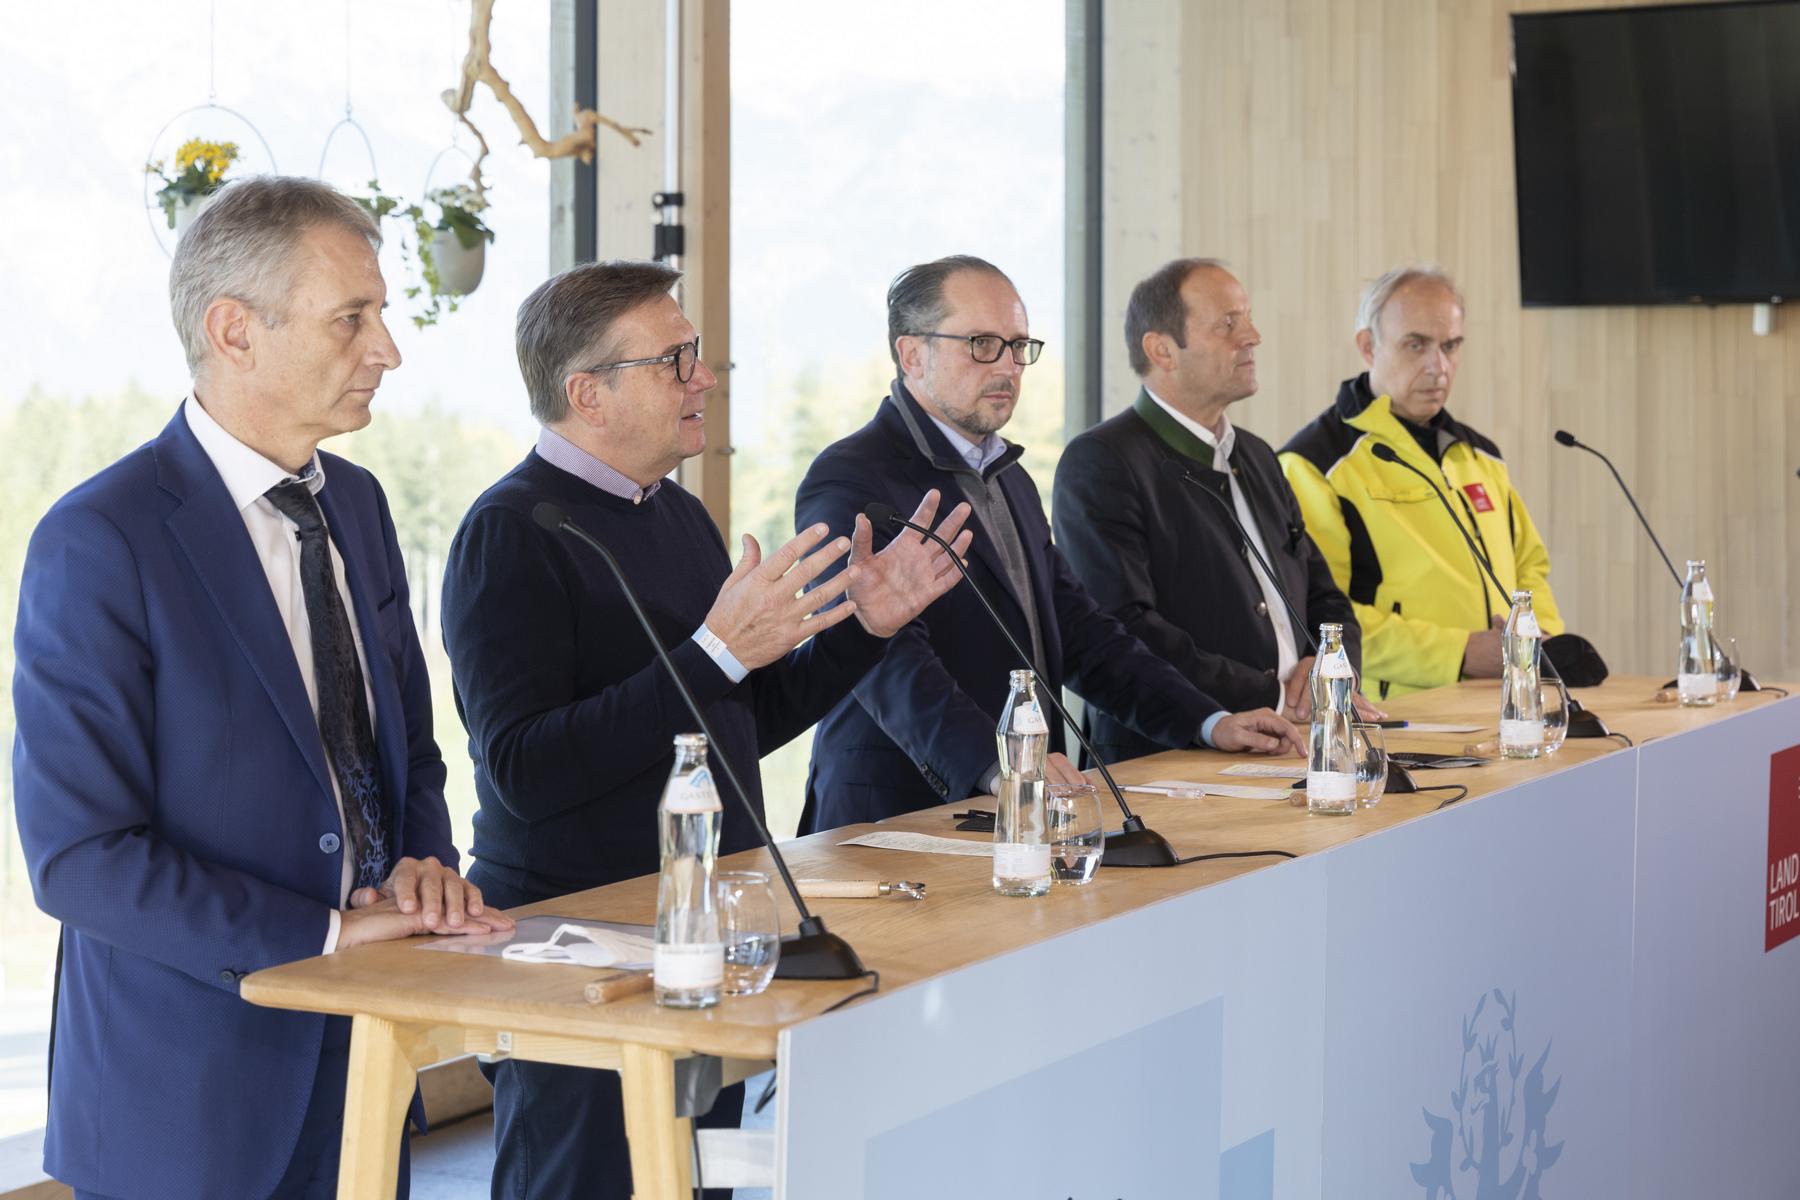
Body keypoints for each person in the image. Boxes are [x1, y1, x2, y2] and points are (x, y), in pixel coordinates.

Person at [11, 177, 509, 1200]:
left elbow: (403, 748)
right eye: (351, 319)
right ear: (234, 331)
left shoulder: (361, 508)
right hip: (183, 1102)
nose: (388, 349)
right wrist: (321, 935)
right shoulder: (100, 539)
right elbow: (80, 859)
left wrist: (421, 863)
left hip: (363, 1073)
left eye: (382, 315)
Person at [439, 259, 970, 1200]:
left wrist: (864, 635)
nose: (705, 378)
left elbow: (732, 721)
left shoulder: (679, 515)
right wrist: (716, 653)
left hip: (697, 931)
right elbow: (524, 769)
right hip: (581, 944)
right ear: (586, 393)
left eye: (699, 355)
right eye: (676, 358)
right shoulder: (512, 531)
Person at [795, 254, 1304, 833]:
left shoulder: (1009, 476)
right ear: (912, 354)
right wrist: (996, 761)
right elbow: (882, 658)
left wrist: (1209, 721)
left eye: (1018, 346)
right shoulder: (850, 477)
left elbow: (1084, 634)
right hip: (895, 814)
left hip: (1024, 805)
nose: (1008, 366)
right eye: (982, 344)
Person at [1054, 258, 1377, 763]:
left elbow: (1323, 594)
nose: (1252, 335)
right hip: (1171, 758)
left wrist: (1330, 668)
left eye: (1246, 318)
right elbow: (1124, 628)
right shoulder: (1103, 461)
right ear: (1161, 349)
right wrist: (1272, 694)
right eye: (1228, 324)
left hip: (1300, 742)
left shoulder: (1258, 455)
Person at [1280, 265, 1565, 699]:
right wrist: (1459, 652)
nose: (1439, 366)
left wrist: (1538, 638)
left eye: (1450, 346)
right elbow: (1321, 619)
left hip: (1508, 695)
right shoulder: (1315, 464)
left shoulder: (1480, 455)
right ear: (1367, 346)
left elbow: (1530, 568)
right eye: (1416, 345)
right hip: (1394, 715)